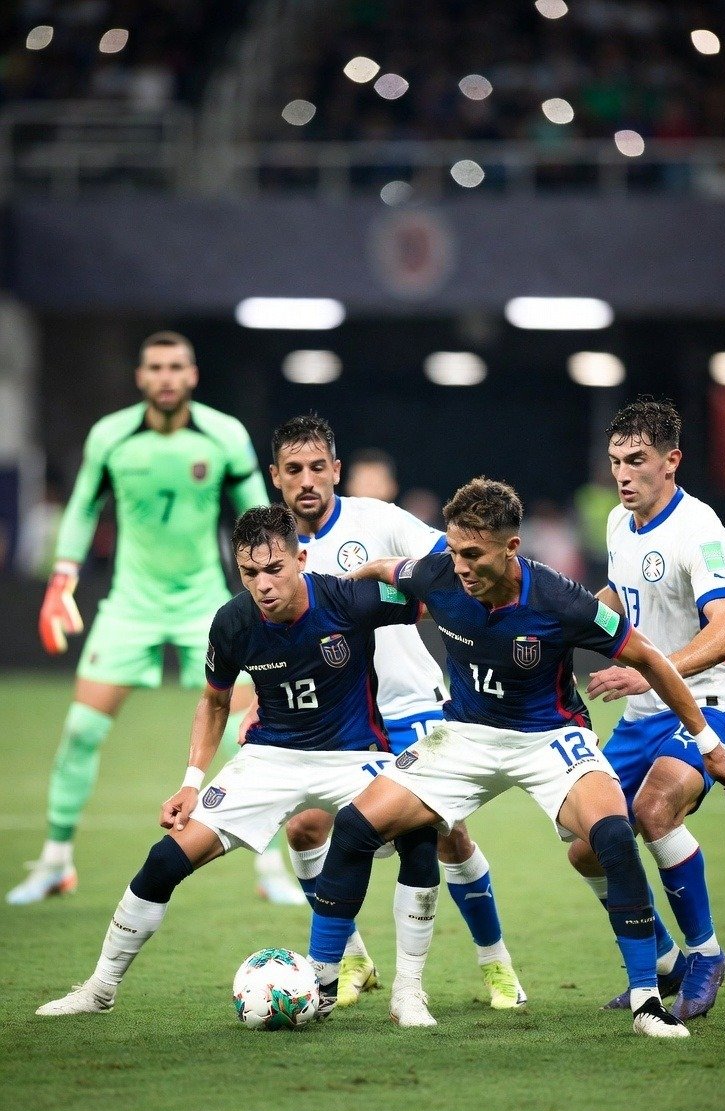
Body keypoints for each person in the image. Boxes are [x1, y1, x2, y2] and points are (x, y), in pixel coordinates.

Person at [305, 477, 725, 1038]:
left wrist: (707, 741)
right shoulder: (437, 574)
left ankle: (647, 1003)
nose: (459, 565)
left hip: (550, 738)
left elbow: (650, 658)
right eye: (453, 549)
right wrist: (357, 574)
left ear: (511, 549)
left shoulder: (559, 599)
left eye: (472, 554)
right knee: (354, 826)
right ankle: (320, 984)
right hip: (464, 736)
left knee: (609, 837)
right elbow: (391, 568)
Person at [35, 504, 438, 1020]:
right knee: (164, 861)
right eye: (250, 573)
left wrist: (387, 568)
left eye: (275, 569)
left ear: (302, 559)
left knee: (422, 835)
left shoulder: (348, 598)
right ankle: (99, 989)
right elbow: (214, 701)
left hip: (354, 756)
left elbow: (425, 603)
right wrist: (190, 781)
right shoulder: (233, 622)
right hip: (269, 757)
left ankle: (408, 990)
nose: (264, 585)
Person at [7, 331, 302, 908]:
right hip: (131, 607)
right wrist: (62, 576)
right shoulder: (111, 436)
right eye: (155, 367)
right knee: (81, 731)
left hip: (203, 605)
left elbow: (257, 519)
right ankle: (55, 862)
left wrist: (273, 586)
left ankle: (270, 868)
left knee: (251, 734)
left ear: (192, 376)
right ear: (141, 377)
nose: (166, 376)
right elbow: (83, 506)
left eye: (176, 367)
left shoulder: (223, 436)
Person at [260, 414, 524, 1018]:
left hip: (410, 706)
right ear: (276, 477)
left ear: (336, 470)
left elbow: (449, 564)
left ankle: (497, 963)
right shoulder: (273, 550)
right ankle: (352, 958)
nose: (307, 481)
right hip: (335, 722)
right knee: (302, 830)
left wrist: (446, 614)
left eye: (318, 468)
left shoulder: (377, 519)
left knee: (445, 836)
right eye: (294, 470)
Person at [568, 398, 725, 1020]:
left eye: (637, 461)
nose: (623, 474)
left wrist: (647, 666)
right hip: (643, 716)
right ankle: (664, 960)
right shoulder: (621, 524)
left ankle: (707, 955)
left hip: (711, 704)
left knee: (652, 808)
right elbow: (620, 595)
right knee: (586, 843)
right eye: (616, 460)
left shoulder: (700, 529)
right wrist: (561, 627)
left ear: (671, 461)